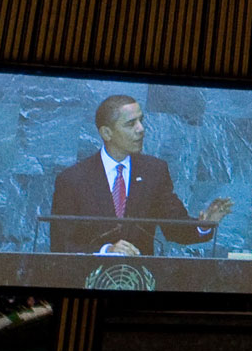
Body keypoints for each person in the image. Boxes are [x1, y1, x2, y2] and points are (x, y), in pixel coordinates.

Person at [46, 92, 233, 257]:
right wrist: (106, 251)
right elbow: (61, 245)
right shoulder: (72, 180)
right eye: (130, 124)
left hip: (140, 281)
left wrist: (205, 225)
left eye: (141, 120)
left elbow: (175, 228)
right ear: (106, 132)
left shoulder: (154, 172)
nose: (141, 129)